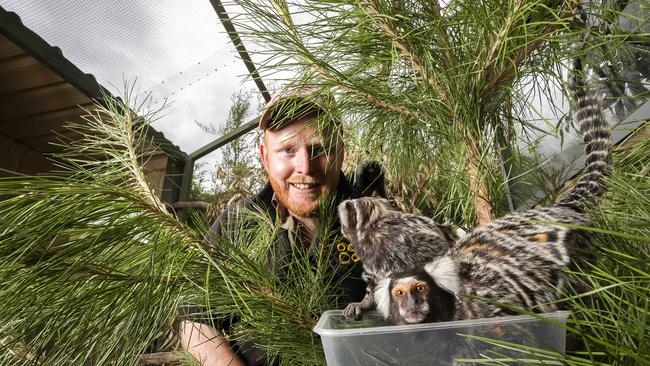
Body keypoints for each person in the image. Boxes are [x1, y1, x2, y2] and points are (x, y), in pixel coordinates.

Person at [179, 88, 366, 366]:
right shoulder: (237, 222)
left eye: (319, 149)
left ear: (341, 153)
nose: (305, 166)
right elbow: (195, 323)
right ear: (265, 157)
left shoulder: (380, 223)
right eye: (287, 150)